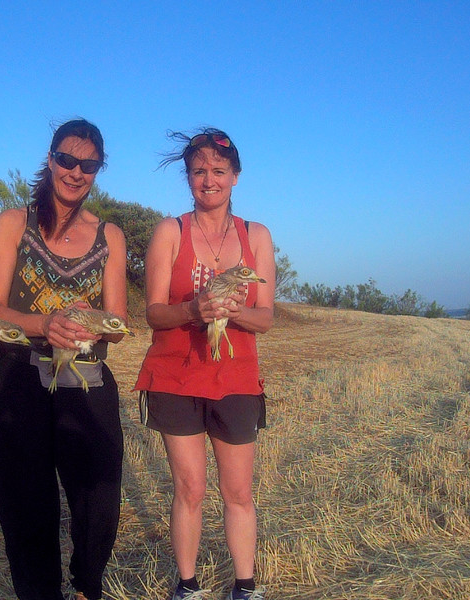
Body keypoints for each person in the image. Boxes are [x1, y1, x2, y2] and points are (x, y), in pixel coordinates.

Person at [0, 119, 128, 600]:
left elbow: (121, 324)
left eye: (87, 164)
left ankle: (87, 584)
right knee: (26, 501)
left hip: (85, 378)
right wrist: (46, 323)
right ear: (50, 159)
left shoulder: (110, 236)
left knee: (100, 500)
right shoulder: (13, 224)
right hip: (19, 377)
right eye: (66, 159)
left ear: (97, 170)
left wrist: (94, 320)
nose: (75, 171)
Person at [134, 129, 275, 600]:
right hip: (176, 376)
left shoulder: (258, 236)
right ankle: (188, 585)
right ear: (188, 177)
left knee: (237, 491)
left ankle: (244, 586)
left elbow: (267, 317)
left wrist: (233, 312)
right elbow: (153, 313)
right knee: (189, 488)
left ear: (235, 176)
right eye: (199, 171)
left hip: (235, 379)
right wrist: (195, 310)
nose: (208, 180)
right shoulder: (169, 232)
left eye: (218, 170)